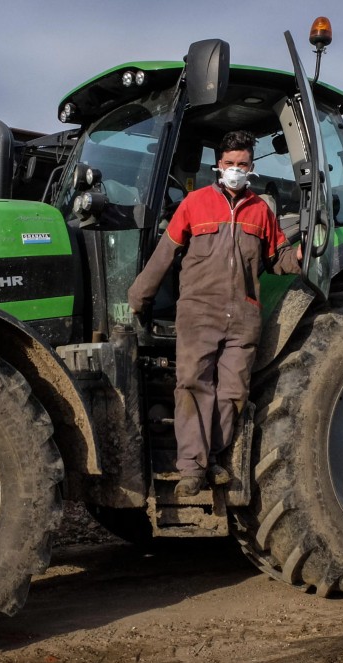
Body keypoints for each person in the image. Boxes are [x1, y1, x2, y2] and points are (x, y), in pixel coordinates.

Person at [128, 130, 302, 496]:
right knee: (192, 385)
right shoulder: (194, 203)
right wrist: (139, 296)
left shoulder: (261, 211)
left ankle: (216, 457)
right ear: (218, 166)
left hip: (243, 315)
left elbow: (278, 259)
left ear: (251, 167)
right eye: (229, 164)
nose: (236, 170)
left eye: (242, 164)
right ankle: (192, 468)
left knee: (234, 391)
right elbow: (164, 256)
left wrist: (300, 256)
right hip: (198, 312)